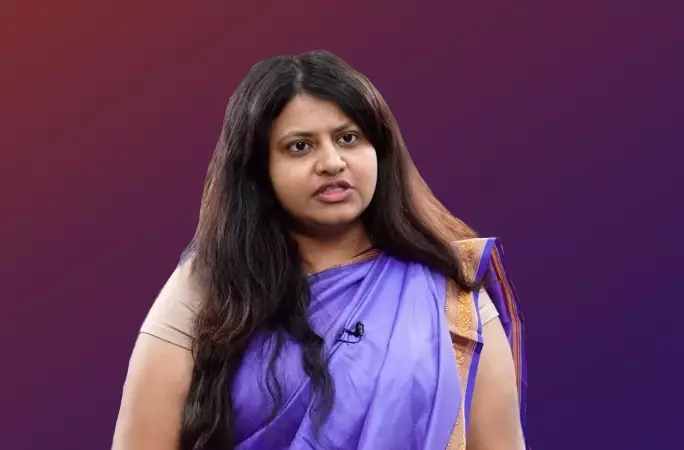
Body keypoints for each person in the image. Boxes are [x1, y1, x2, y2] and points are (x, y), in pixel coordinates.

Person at [112, 50, 527, 450]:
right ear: (259, 169)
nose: (331, 162)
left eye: (348, 138)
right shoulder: (209, 285)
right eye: (300, 146)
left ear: (379, 151)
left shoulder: (449, 294)